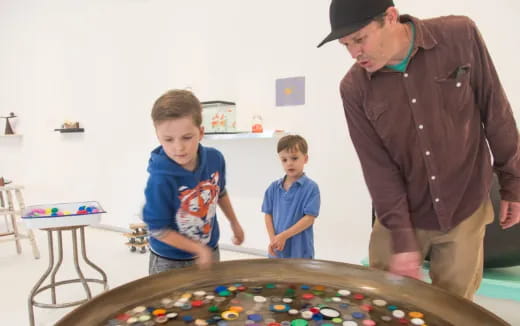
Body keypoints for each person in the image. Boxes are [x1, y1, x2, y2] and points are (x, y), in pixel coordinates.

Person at [318, 0, 520, 299]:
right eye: (345, 44)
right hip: (400, 212)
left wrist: (512, 184)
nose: (354, 53)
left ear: (390, 17)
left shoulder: (459, 35)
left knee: (454, 309)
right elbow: (378, 170)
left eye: (359, 39)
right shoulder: (354, 88)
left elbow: (495, 109)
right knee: (383, 304)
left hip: (465, 206)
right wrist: (401, 237)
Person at [143, 89, 244, 274]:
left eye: (187, 137)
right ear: (158, 137)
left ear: (201, 132)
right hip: (169, 260)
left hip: (208, 251)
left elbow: (219, 191)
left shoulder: (215, 159)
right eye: (168, 139)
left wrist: (234, 222)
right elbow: (159, 230)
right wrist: (198, 249)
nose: (178, 147)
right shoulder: (159, 180)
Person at [262, 135, 321, 258]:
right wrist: (274, 240)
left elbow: (309, 219)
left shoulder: (311, 188)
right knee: (276, 276)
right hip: (278, 249)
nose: (289, 163)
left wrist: (284, 236)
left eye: (294, 158)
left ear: (305, 159)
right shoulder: (273, 188)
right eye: (284, 160)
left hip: (300, 251)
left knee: (299, 277)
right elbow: (268, 215)